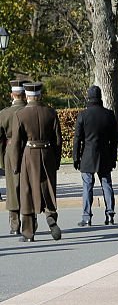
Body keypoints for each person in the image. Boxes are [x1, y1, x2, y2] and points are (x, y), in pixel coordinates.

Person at [12, 82, 61, 242]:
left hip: (29, 154)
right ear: (40, 96)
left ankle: (28, 232)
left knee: (27, 192)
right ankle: (51, 217)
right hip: (47, 153)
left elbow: (17, 142)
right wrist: (56, 160)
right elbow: (57, 140)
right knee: (48, 188)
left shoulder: (20, 115)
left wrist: (15, 165)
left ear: (27, 96)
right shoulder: (51, 113)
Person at [73, 85, 118, 226]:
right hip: (104, 154)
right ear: (100, 97)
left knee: (87, 186)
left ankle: (87, 216)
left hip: (87, 154)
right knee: (106, 184)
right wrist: (113, 157)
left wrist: (76, 157)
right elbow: (114, 138)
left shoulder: (83, 115)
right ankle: (110, 213)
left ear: (88, 97)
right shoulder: (109, 114)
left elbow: (78, 139)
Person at [0, 79, 27, 235]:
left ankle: (14, 224)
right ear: (24, 95)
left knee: (12, 187)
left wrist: (2, 158)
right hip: (29, 150)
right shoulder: (29, 111)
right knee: (28, 186)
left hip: (10, 151)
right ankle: (30, 221)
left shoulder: (4, 113)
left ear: (12, 95)